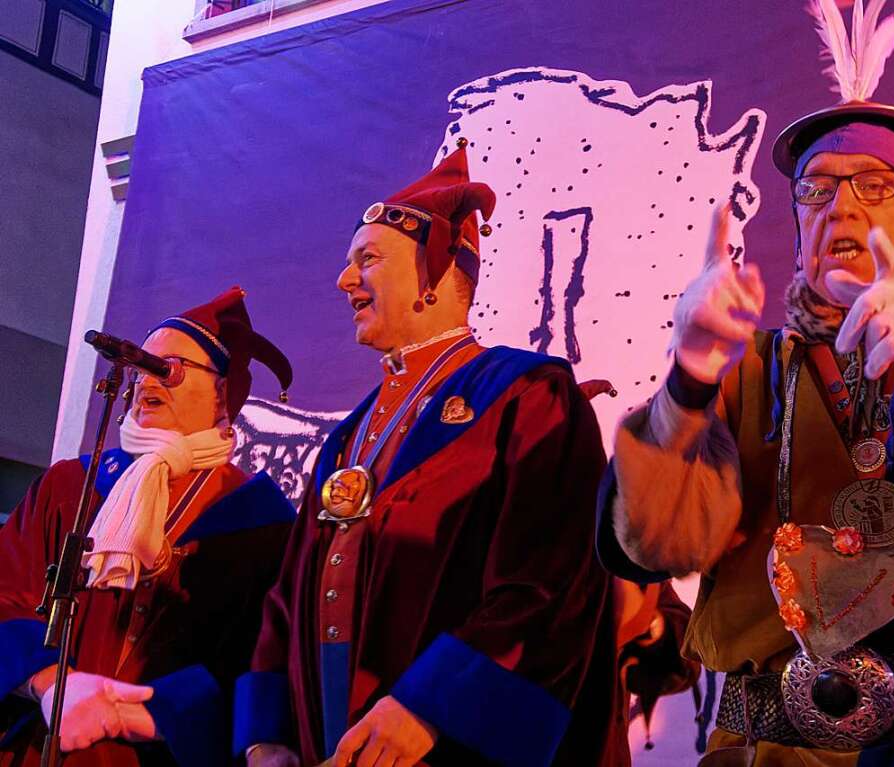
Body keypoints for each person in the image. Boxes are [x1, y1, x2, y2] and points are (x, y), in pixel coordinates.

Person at [597, 1, 894, 764]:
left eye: (871, 185)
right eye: (816, 190)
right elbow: (654, 544)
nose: (841, 210)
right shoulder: (747, 376)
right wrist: (690, 373)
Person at [236, 144, 626, 767]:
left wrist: (430, 705)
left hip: (447, 744)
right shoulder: (350, 435)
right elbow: (287, 597)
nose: (343, 281)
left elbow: (548, 586)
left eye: (367, 260)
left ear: (435, 276)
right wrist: (267, 735)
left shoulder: (527, 395)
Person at [0, 287, 296, 767]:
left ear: (223, 394)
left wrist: (142, 713)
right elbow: (5, 590)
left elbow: (259, 655)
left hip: (158, 756)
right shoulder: (72, 486)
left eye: (171, 368)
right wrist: (54, 684)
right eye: (142, 366)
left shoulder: (261, 520)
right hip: (43, 743)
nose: (145, 378)